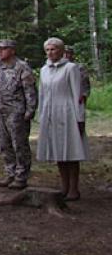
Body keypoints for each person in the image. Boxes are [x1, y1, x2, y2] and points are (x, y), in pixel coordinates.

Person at [37, 37, 88, 201]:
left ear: (61, 50)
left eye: (54, 49)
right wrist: (42, 115)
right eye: (48, 50)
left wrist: (80, 118)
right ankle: (63, 186)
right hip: (51, 114)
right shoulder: (44, 70)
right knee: (58, 151)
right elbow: (42, 94)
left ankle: (74, 188)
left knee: (71, 150)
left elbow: (77, 94)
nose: (50, 53)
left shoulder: (71, 68)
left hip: (67, 113)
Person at [0, 39, 37, 189]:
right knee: (4, 144)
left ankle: (21, 175)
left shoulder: (22, 67)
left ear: (12, 50)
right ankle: (10, 173)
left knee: (19, 145)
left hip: (16, 112)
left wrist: (30, 110)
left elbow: (30, 90)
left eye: (3, 49)